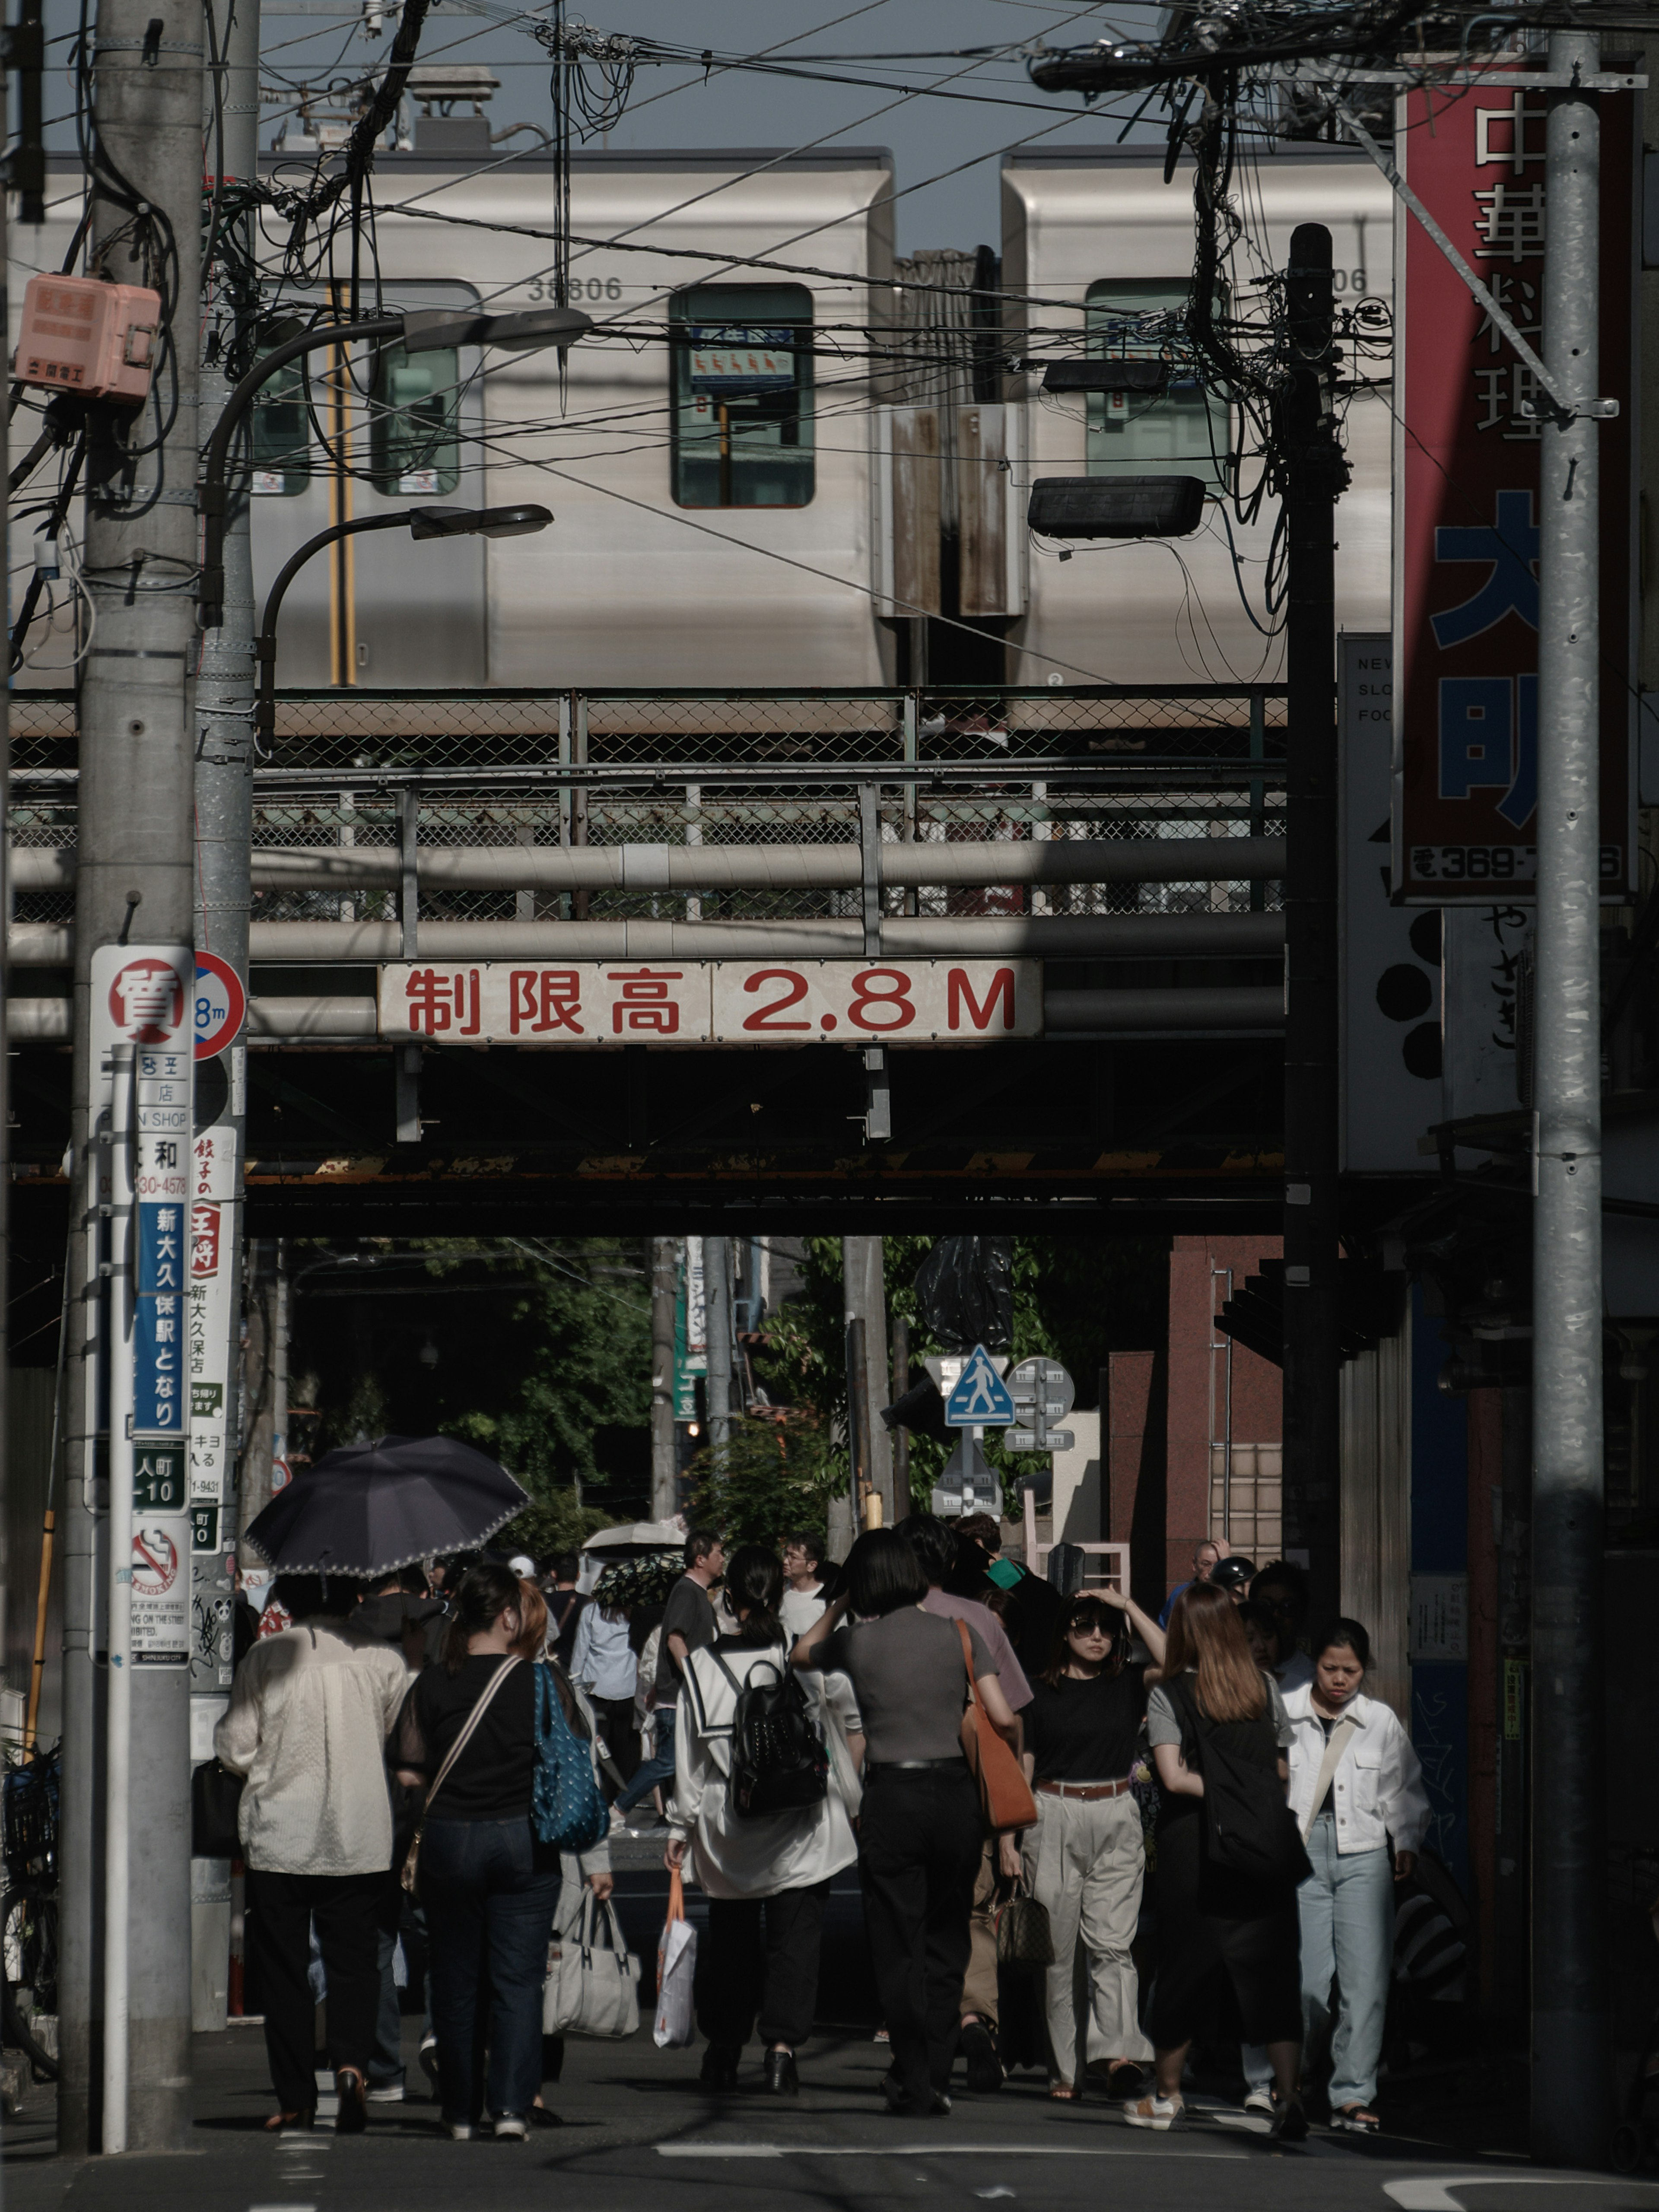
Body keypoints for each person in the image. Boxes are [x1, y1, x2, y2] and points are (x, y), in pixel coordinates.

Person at [793, 1528, 1020, 2118]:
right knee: (947, 1938)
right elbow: (1003, 1715)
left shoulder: (856, 1645)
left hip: (893, 1795)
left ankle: (915, 2076)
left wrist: (839, 1602)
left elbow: (799, 1654)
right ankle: (937, 2075)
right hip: (954, 1796)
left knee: (898, 1945)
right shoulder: (960, 1633)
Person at [215, 1571, 411, 2133]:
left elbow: (235, 1745)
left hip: (281, 1833)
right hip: (360, 1834)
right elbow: (399, 1735)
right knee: (355, 1963)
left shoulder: (266, 1656)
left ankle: (297, 2097)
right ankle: (353, 2065)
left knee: (284, 1970)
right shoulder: (382, 1660)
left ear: (288, 1601)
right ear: (354, 1595)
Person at [667, 1545, 863, 2095]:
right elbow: (846, 1708)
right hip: (804, 1821)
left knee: (730, 1942)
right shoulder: (797, 1656)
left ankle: (725, 2047)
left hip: (731, 1831)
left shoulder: (700, 1668)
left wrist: (680, 1829)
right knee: (795, 1939)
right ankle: (781, 2051)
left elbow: (690, 1761)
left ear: (726, 1597)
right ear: (776, 1595)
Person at [392, 1564, 558, 2141]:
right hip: (523, 1839)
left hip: (450, 1838)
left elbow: (409, 1772)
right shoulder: (540, 1681)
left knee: (456, 1978)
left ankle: (460, 2112)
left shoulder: (433, 1682)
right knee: (518, 1980)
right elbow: (569, 1759)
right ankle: (511, 2108)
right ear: (510, 1616)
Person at [1139, 1581, 1308, 2139]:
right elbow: (1283, 1772)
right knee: (1274, 1973)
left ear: (1184, 1632)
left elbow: (1170, 1775)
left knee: (1185, 1967)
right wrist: (1250, 1793)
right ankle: (1287, 2098)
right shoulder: (1263, 1686)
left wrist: (1216, 1787)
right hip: (1265, 1840)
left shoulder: (1169, 1693)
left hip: (1195, 1844)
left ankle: (1167, 2097)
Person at [896, 1512, 1033, 2093]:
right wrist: (1009, 1828)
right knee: (973, 1916)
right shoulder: (980, 1616)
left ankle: (920, 2038)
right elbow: (1011, 1720)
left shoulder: (878, 1623)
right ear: (953, 1561)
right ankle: (975, 2020)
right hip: (972, 1788)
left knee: (908, 1918)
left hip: (899, 1788)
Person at [1019, 1588, 1165, 2101]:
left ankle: (1119, 2054)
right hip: (1051, 1811)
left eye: (1106, 1627)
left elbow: (1173, 1660)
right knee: (1057, 1952)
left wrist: (1128, 1605)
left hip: (1116, 1808)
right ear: (1065, 1632)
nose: (1097, 1636)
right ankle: (1066, 2069)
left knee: (1112, 1943)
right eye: (1085, 1625)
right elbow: (1026, 1764)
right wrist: (1011, 1838)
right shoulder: (1037, 1690)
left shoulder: (1128, 1683)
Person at [1284, 1619, 1429, 2135]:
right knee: (1305, 1982)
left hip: (1365, 1853)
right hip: (1300, 1853)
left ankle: (1352, 2091)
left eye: (1351, 1670)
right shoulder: (1287, 1711)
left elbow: (1404, 1786)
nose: (1340, 1679)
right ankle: (1294, 2070)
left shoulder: (1380, 1720)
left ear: (1365, 1669)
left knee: (1366, 1984)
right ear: (1314, 1662)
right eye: (1330, 1668)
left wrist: (1406, 1841)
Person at [611, 1532, 725, 1827]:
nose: (723, 1559)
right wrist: (695, 1680)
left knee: (684, 1761)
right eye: (719, 1553)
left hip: (681, 1694)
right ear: (700, 1559)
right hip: (680, 1697)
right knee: (668, 1761)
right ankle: (618, 1810)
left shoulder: (696, 1592)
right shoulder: (687, 1591)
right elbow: (675, 1640)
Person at [569, 1589, 640, 1783]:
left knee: (600, 1744)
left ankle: (603, 1789)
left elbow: (580, 1651)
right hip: (628, 1686)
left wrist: (575, 1684)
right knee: (625, 1745)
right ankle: (624, 1790)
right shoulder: (632, 1614)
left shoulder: (591, 1612)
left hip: (596, 1687)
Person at [1251, 1562, 1315, 1694]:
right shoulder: (1233, 1673)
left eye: (1287, 1607)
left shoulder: (1312, 1678)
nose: (1276, 1615)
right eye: (1267, 1606)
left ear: (1302, 1614)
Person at [1158, 1536, 1232, 1628]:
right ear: (1194, 1565)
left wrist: (1228, 1563)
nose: (1212, 1571)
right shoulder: (1181, 1595)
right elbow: (1164, 1630)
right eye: (1206, 1564)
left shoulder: (1232, 1594)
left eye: (1218, 1565)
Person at [778, 1530, 827, 1644]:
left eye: (793, 1557)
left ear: (812, 1566)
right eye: (786, 1555)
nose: (785, 1562)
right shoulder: (779, 1596)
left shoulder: (827, 1601)